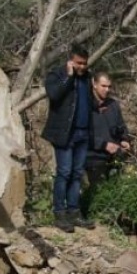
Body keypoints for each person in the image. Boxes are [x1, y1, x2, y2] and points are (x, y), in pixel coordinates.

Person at [41, 44, 96, 233]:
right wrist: (68, 77)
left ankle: (74, 212)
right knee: (64, 172)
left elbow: (88, 100)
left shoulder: (87, 78)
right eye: (79, 63)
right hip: (64, 133)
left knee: (77, 173)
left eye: (85, 64)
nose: (82, 67)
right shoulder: (56, 75)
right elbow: (54, 95)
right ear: (71, 61)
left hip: (82, 132)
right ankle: (60, 213)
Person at [85, 72, 132, 191]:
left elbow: (121, 127)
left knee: (116, 191)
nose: (107, 90)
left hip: (114, 156)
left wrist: (124, 139)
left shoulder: (113, 104)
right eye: (103, 86)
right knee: (99, 192)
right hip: (93, 157)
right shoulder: (85, 106)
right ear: (94, 84)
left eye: (109, 87)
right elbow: (82, 135)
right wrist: (104, 145)